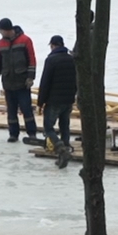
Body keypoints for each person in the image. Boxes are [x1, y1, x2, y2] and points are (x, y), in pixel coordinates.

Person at [0, 17, 40, 144]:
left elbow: (32, 59)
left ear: (8, 30)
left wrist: (30, 77)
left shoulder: (25, 40)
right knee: (11, 110)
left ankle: (32, 133)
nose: (0, 33)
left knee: (26, 109)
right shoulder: (0, 44)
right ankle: (13, 133)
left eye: (1, 30)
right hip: (8, 82)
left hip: (22, 82)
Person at [37, 35, 77, 168]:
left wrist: (40, 102)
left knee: (49, 128)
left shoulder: (51, 60)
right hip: (68, 100)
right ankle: (65, 148)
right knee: (64, 125)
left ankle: (61, 149)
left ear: (53, 46)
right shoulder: (72, 59)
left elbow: (45, 82)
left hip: (54, 100)